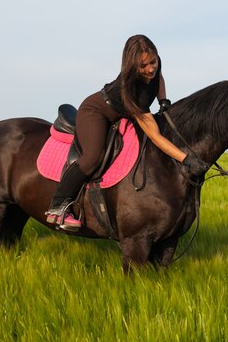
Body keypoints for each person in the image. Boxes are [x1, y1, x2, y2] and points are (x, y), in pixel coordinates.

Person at [46, 34, 208, 231]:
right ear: (133, 67)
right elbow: (155, 136)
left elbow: (159, 77)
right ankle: (58, 205)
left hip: (121, 113)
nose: (150, 69)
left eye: (153, 62)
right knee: (92, 157)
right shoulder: (131, 90)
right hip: (96, 111)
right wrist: (186, 159)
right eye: (143, 66)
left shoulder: (155, 64)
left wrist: (163, 100)